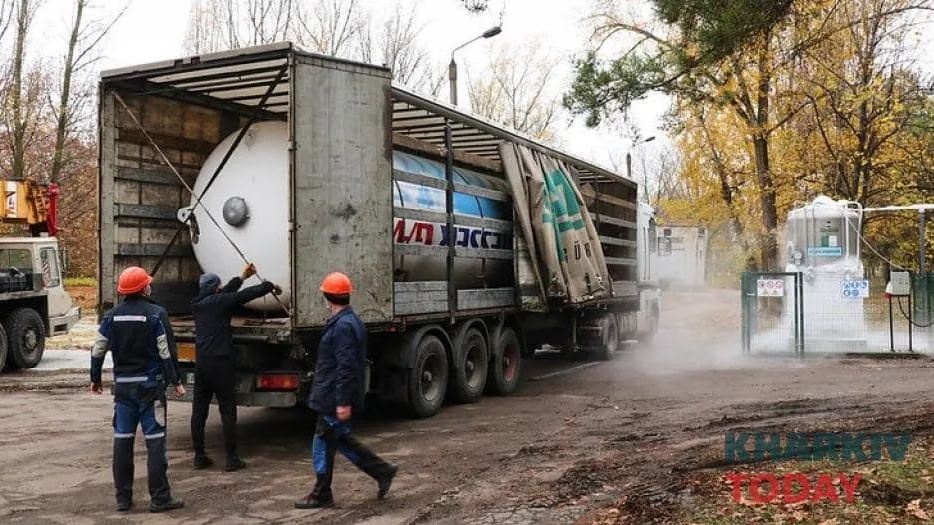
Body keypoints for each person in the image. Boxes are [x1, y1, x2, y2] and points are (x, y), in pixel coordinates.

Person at [295, 272, 398, 509]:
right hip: (335, 393)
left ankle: (322, 494)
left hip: (334, 396)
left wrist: (342, 402)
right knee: (339, 439)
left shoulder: (343, 326)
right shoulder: (347, 321)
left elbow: (346, 367)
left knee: (322, 440)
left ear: (327, 297)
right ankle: (383, 472)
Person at [90, 266, 186, 513]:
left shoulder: (111, 317)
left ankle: (123, 499)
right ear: (144, 288)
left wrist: (96, 378)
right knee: (155, 443)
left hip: (123, 390)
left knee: (122, 442)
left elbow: (98, 349)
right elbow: (166, 352)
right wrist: (176, 381)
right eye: (148, 284)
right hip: (150, 388)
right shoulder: (156, 315)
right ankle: (160, 498)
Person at [190, 263, 281, 471]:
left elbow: (226, 293)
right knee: (227, 411)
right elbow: (242, 296)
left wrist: (241, 277)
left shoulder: (197, 303)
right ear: (215, 288)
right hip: (221, 363)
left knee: (199, 412)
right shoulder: (221, 302)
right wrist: (267, 285)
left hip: (202, 364)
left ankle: (199, 456)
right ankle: (231, 458)